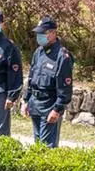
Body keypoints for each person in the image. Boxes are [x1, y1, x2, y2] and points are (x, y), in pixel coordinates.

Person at [21, 16, 74, 148]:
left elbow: (65, 88)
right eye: (38, 33)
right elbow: (32, 78)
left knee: (47, 148)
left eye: (43, 33)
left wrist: (57, 109)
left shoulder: (62, 56)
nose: (39, 36)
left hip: (49, 106)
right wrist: (26, 100)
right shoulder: (38, 52)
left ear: (53, 33)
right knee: (38, 144)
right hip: (35, 104)